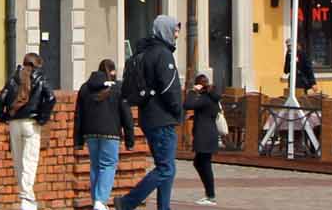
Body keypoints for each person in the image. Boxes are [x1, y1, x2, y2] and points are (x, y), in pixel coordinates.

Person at [116, 16, 183, 210]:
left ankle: (164, 207)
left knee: (167, 167)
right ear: (165, 31)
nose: (177, 34)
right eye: (175, 30)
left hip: (149, 116)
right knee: (166, 168)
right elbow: (169, 87)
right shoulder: (162, 54)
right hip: (162, 118)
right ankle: (128, 202)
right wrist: (177, 109)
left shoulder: (145, 51)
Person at [0, 50, 56, 210]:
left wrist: (3, 116)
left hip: (14, 123)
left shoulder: (14, 78)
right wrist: (42, 118)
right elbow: (50, 98)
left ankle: (28, 197)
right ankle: (27, 199)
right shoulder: (40, 78)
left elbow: (0, 99)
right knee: (30, 161)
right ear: (37, 65)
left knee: (18, 161)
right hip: (31, 123)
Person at [73, 57, 132, 210]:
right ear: (112, 72)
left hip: (90, 133)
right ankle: (100, 201)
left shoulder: (85, 88)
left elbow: (79, 115)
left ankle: (96, 201)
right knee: (108, 165)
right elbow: (126, 114)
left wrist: (78, 140)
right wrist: (129, 139)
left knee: (95, 166)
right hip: (111, 133)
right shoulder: (117, 88)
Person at [182, 73, 222, 206]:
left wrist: (193, 91)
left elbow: (187, 104)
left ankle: (211, 196)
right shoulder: (212, 98)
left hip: (204, 136)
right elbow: (207, 113)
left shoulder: (205, 98)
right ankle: (209, 194)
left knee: (204, 164)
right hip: (209, 134)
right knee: (199, 163)